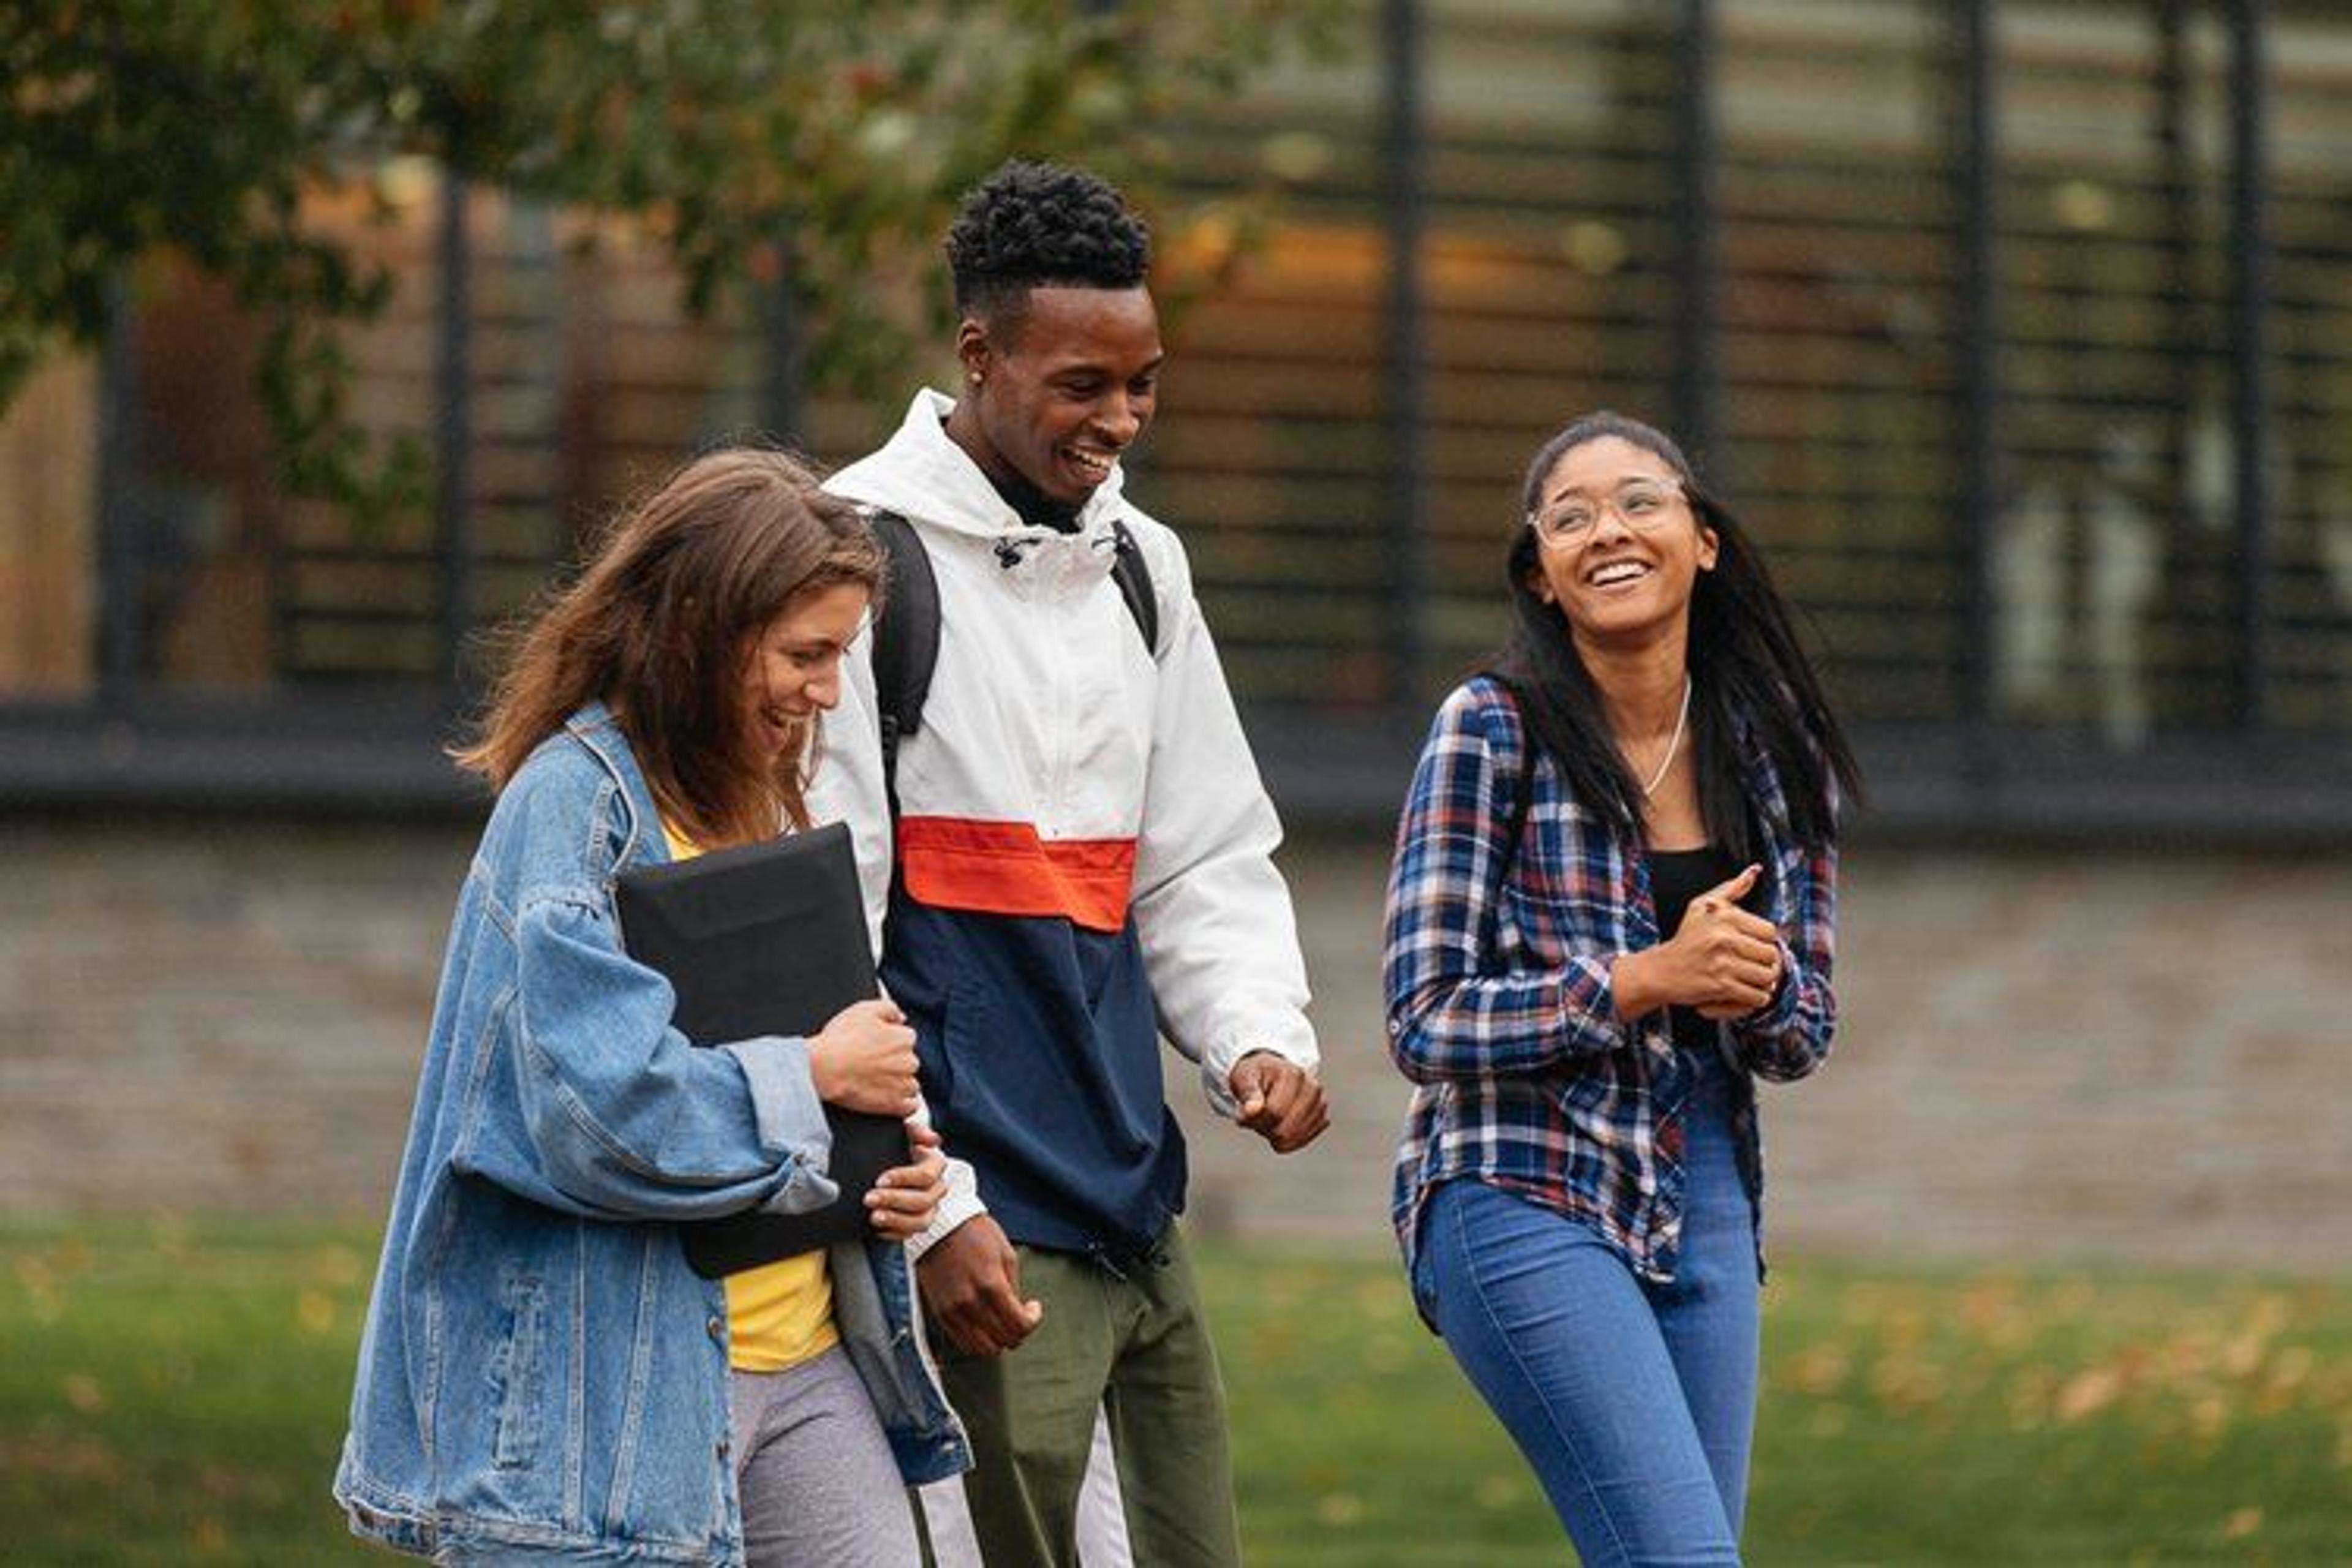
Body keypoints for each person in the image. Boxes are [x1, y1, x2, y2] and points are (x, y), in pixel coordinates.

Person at [807, 159, 1330, 1567]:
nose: (1120, 419)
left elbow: (1202, 852)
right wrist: (936, 1206)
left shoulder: (1145, 567)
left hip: (1132, 1196)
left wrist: (1253, 1036)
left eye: (1143, 382)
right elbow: (822, 938)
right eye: (1082, 383)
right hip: (977, 1217)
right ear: (978, 353)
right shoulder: (855, 560)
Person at [334, 448, 969, 1566]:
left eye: (839, 657)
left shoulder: (761, 794)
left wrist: (886, 1164)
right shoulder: (573, 809)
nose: (828, 692)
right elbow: (599, 1114)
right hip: (626, 1391)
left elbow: (788, 1043)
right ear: (705, 634)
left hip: (810, 1360)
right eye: (805, 656)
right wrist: (816, 1078)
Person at [1381, 410, 1861, 1565]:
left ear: (1704, 542)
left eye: (1641, 501)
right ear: (1541, 575)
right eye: (1572, 517)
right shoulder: (1489, 731)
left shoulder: (1768, 741)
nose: (1610, 531)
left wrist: (1753, 985)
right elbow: (1424, 1017)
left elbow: (1803, 1035)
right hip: (1518, 1179)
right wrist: (1647, 979)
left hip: (1705, 1185)